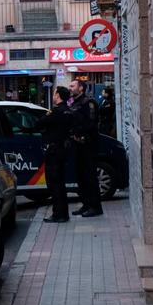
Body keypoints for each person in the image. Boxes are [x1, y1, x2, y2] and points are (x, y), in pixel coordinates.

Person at [36, 87, 74, 223]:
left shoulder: (56, 111)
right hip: (63, 151)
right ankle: (63, 213)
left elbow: (39, 123)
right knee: (60, 184)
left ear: (58, 95)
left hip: (54, 152)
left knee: (54, 184)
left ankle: (58, 214)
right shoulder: (68, 111)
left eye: (54, 93)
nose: (53, 95)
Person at [67, 78, 103, 217]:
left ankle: (95, 206)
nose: (70, 88)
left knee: (89, 176)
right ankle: (86, 204)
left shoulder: (89, 103)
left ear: (81, 88)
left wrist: (80, 134)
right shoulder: (73, 102)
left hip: (87, 145)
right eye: (70, 86)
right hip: (77, 145)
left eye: (72, 85)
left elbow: (92, 124)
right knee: (80, 176)